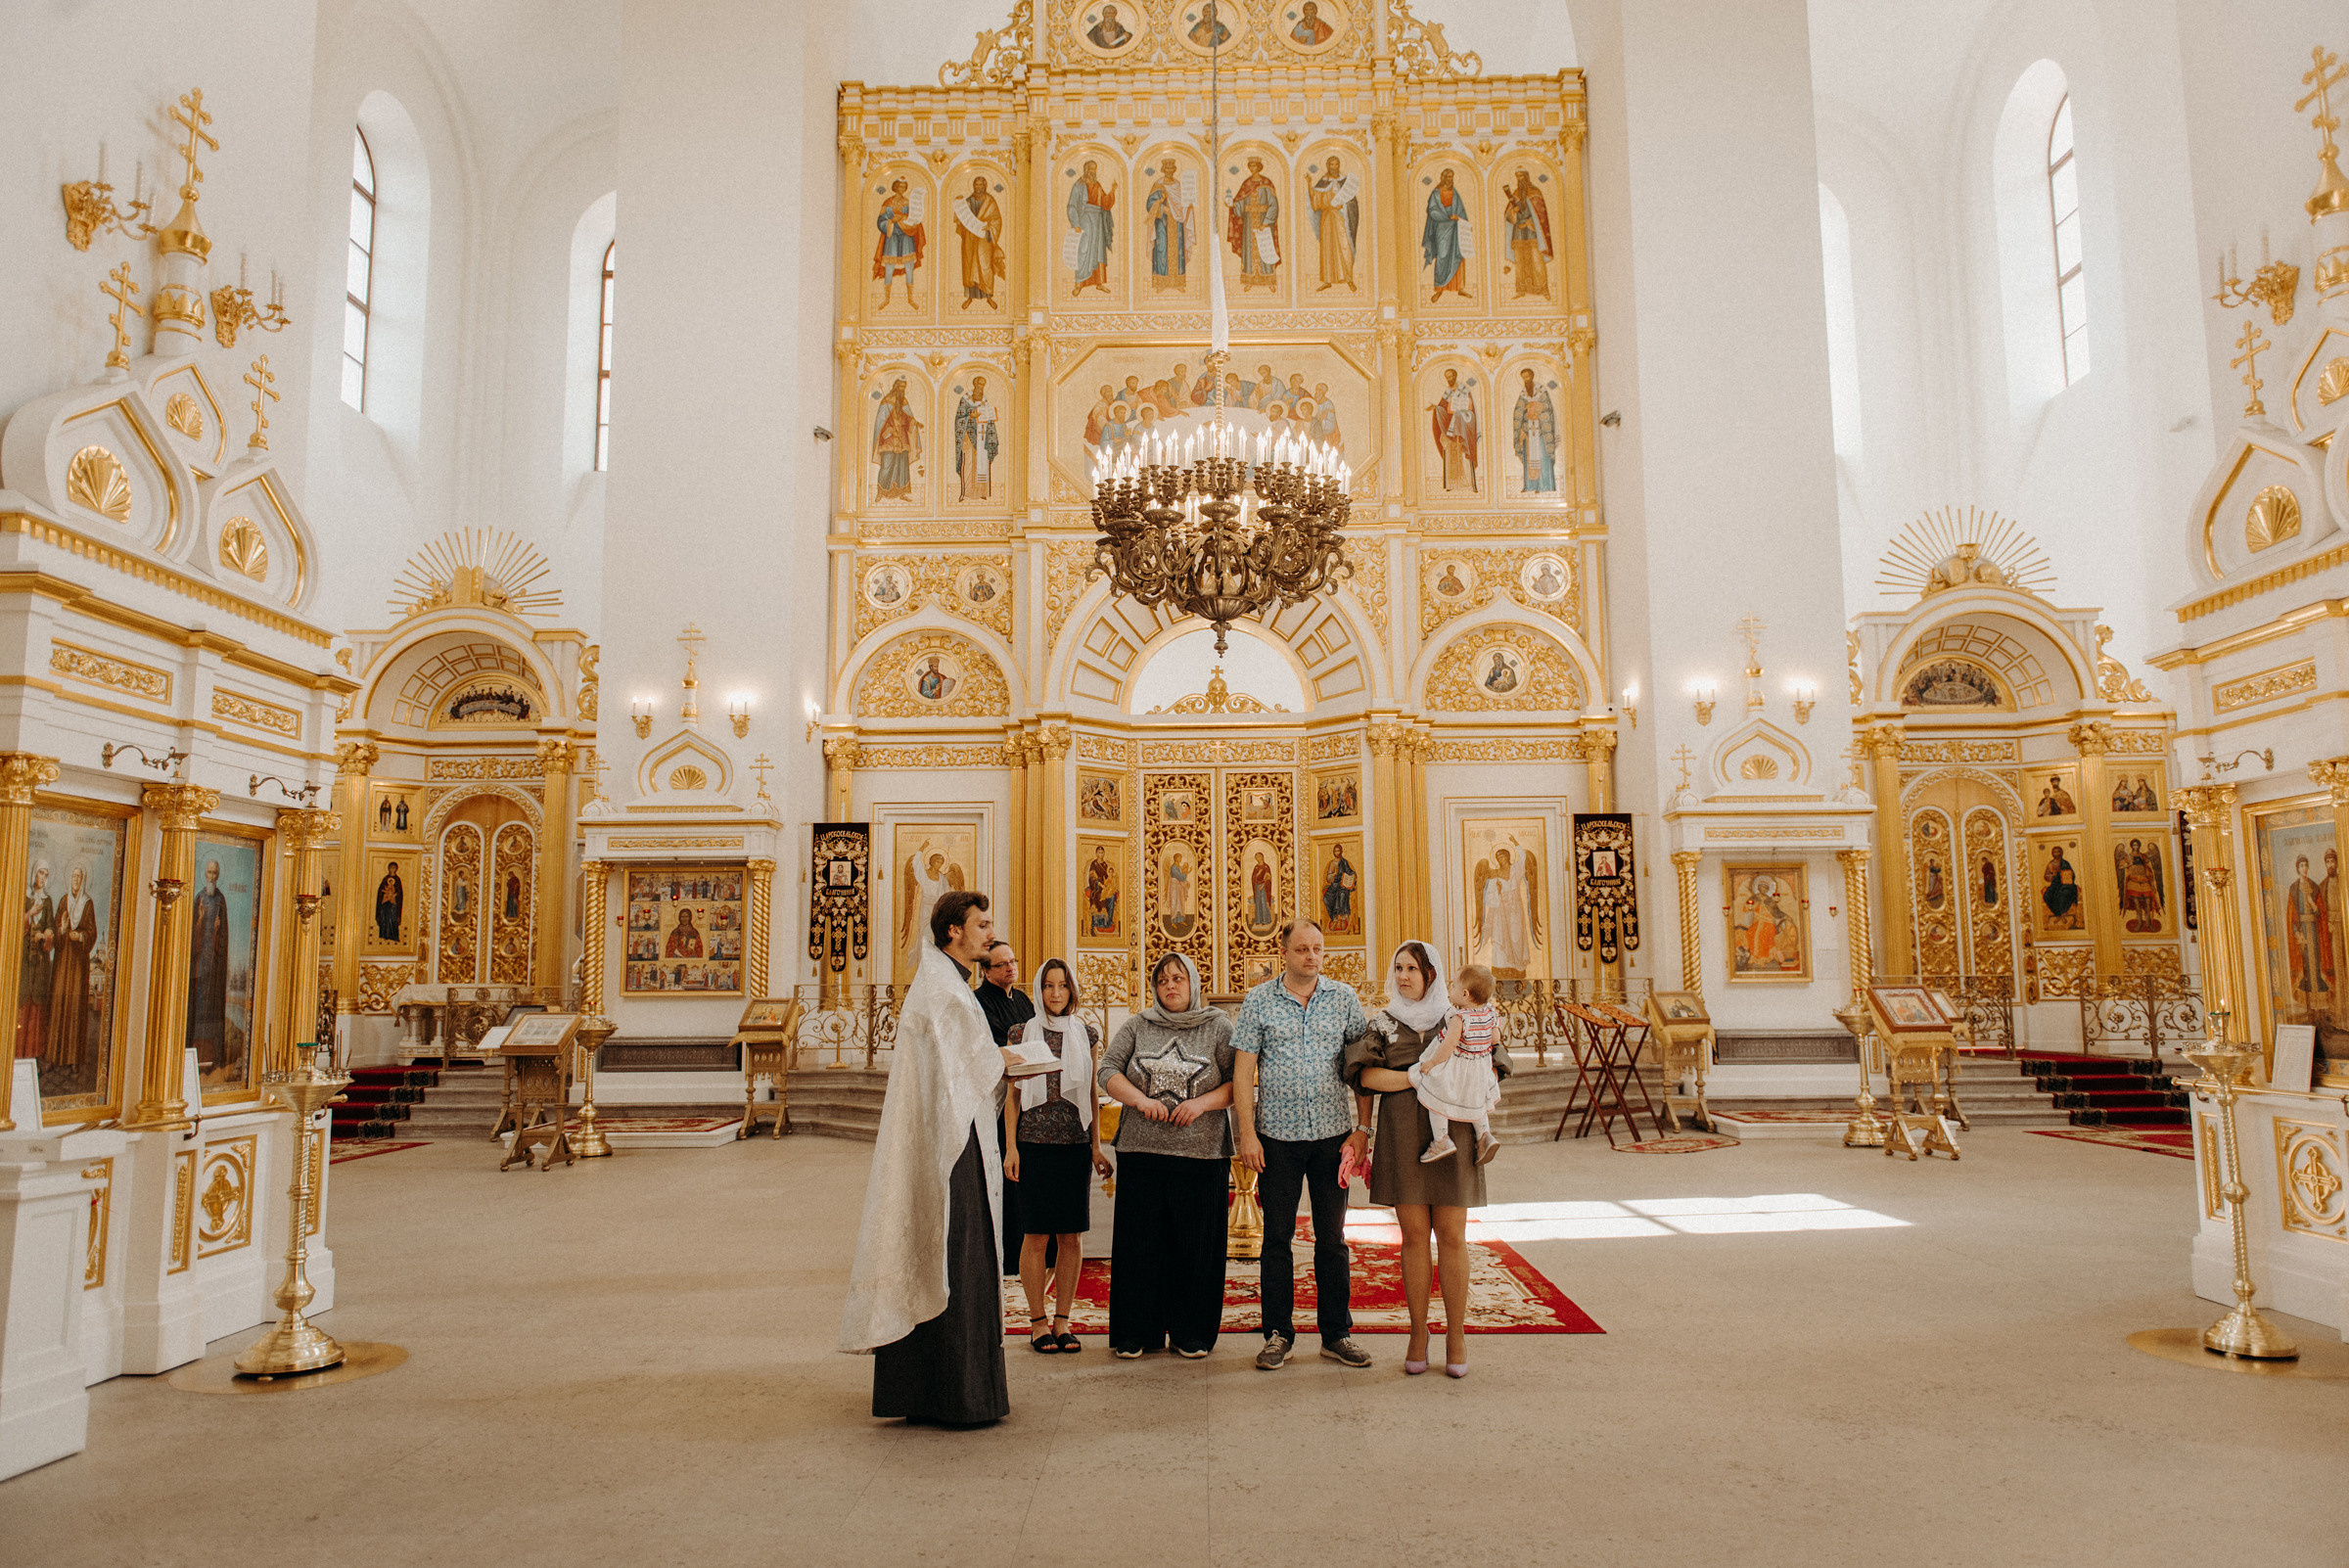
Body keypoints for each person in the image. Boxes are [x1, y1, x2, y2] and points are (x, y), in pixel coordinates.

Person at [840, 889, 1020, 1426]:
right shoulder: (944, 989)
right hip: (952, 1140)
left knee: (943, 1249)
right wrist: (1011, 1063)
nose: (991, 932)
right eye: (982, 924)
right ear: (954, 933)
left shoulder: (946, 981)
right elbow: (963, 1068)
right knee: (957, 1254)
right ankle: (961, 1395)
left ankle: (923, 1390)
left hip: (953, 1129)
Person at [1344, 943, 1511, 1379]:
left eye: (1412, 968)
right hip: (1403, 1133)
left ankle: (1457, 1334)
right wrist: (1420, 1078)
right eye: (1397, 967)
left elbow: (1497, 1060)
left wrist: (1466, 1081)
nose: (1403, 976)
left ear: (1432, 974)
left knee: (1452, 1236)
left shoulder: (1458, 1014)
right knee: (1414, 1236)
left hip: (1453, 1131)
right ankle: (1418, 1332)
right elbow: (1365, 1076)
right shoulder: (1382, 1022)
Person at [1231, 918, 1374, 1370]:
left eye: (1318, 948)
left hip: (1333, 1136)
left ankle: (1336, 1333)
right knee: (1277, 1237)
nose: (1311, 956)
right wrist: (1247, 1134)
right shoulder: (1258, 1000)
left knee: (1332, 1238)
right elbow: (1242, 1073)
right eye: (1302, 949)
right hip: (1276, 1138)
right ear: (1285, 953)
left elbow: (1362, 1071)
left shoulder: (1344, 999)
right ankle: (1277, 1333)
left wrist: (1362, 1130)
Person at [1097, 952, 1235, 1359]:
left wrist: (1202, 1104)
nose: (1171, 986)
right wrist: (1139, 1100)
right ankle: (1136, 1331)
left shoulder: (1218, 1026)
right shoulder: (1138, 1025)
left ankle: (1192, 1332)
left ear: (1193, 983)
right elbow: (1107, 1070)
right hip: (1143, 1151)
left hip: (1201, 1154)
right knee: (1140, 1245)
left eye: (1179, 978)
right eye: (1162, 980)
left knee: (1194, 1246)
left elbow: (1237, 1081)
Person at [1004, 959, 1111, 1355]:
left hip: (1075, 1145)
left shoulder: (1086, 1033)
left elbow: (1090, 1097)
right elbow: (1013, 1099)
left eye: (1062, 986)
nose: (1055, 993)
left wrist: (1096, 1146)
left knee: (1070, 1235)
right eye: (1048, 986)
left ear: (1072, 990)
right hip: (1033, 1145)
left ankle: (1063, 1321)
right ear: (1039, 989)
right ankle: (1036, 1321)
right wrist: (1012, 1147)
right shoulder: (1022, 1032)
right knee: (1035, 1235)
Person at [977, 941, 1036, 1268]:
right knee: (1007, 1175)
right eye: (1002, 964)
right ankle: (1009, 1254)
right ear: (986, 970)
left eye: (1013, 961)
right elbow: (996, 1046)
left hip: (1027, 1095)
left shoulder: (1023, 998)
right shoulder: (979, 1002)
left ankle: (1030, 1247)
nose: (1011, 967)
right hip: (1000, 1101)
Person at [1409, 963, 1502, 1166]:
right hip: (1480, 1068)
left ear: (1465, 994)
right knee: (1477, 1102)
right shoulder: (1490, 1013)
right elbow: (1495, 1038)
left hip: (1459, 1068)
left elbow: (1449, 1045)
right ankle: (1485, 1135)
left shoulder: (1460, 1018)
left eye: (1453, 986)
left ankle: (1441, 1140)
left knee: (1436, 1095)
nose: (1450, 990)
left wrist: (1433, 1062)